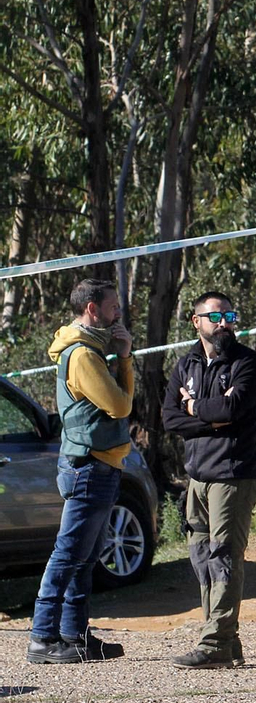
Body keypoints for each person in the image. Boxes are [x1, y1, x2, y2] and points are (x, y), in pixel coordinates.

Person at [26, 278, 133, 665]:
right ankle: (42, 637)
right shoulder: (83, 355)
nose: (118, 312)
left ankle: (74, 635)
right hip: (88, 465)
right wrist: (125, 358)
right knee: (68, 555)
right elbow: (120, 406)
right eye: (113, 306)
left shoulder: (91, 348)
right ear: (93, 310)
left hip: (100, 463)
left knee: (85, 557)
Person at [160, 292, 256, 668]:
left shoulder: (248, 363)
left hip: (234, 473)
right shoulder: (187, 362)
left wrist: (194, 405)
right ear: (196, 321)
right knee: (202, 557)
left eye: (229, 315)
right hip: (198, 475)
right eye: (215, 316)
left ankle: (215, 642)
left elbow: (233, 409)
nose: (224, 322)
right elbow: (170, 418)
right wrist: (207, 416)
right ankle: (224, 637)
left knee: (224, 555)